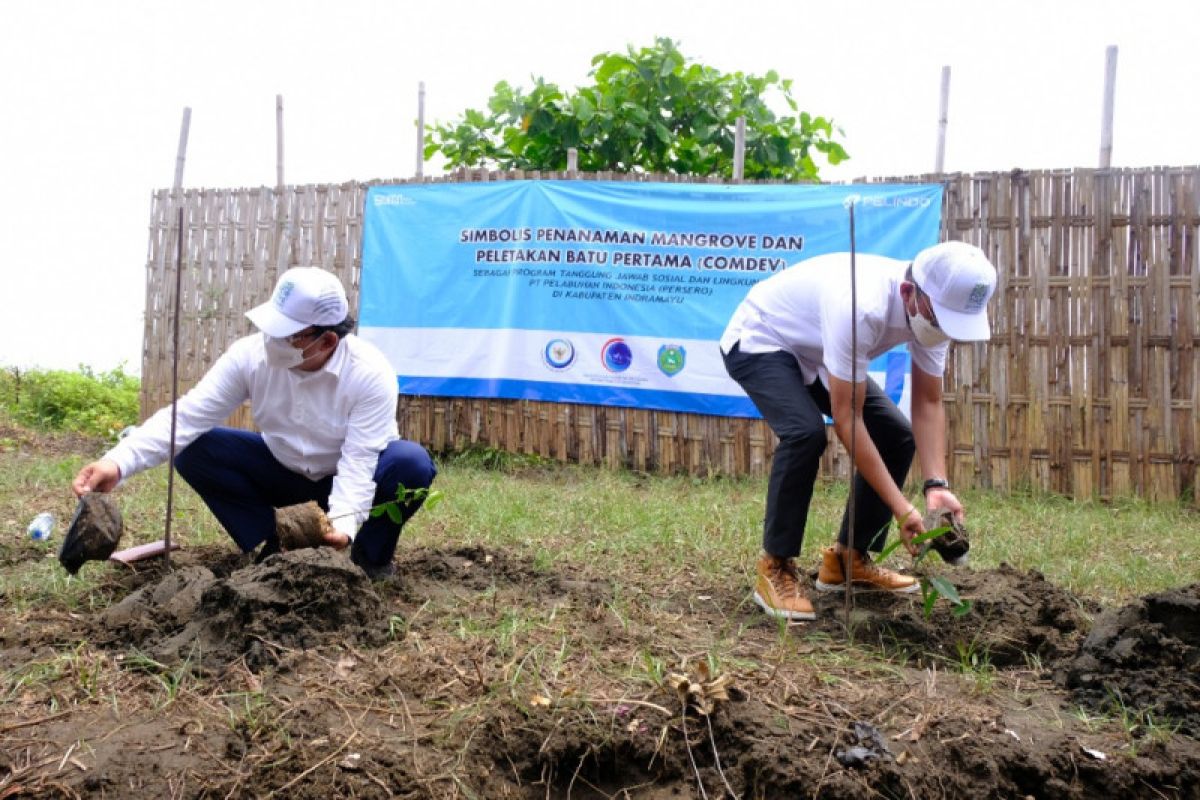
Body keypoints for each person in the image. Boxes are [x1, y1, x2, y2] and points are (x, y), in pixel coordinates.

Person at [72, 267, 436, 579]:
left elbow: (359, 462)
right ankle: (275, 548)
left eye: (285, 334)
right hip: (282, 471)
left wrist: (341, 527)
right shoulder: (249, 357)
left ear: (326, 340)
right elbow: (187, 415)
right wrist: (117, 463)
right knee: (195, 448)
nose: (270, 340)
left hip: (350, 480)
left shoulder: (369, 373)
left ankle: (368, 560)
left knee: (410, 464)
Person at [720, 241, 997, 620]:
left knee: (897, 435)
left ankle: (848, 559)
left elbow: (929, 404)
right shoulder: (860, 305)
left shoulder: (935, 310)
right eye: (939, 319)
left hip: (815, 352)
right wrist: (902, 509)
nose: (943, 329)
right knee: (806, 433)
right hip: (762, 338)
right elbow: (847, 416)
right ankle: (776, 566)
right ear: (908, 292)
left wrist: (936, 486)